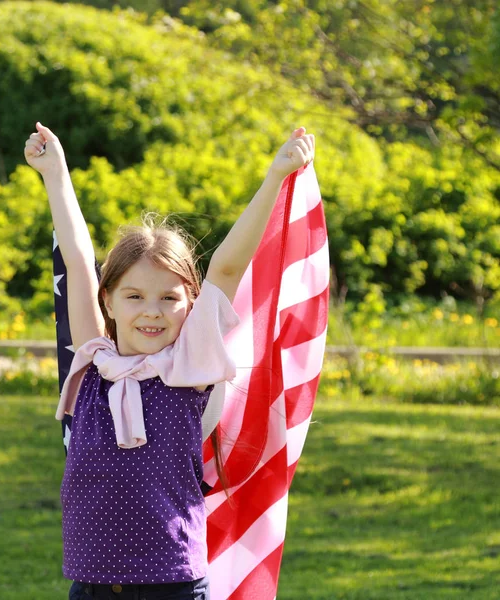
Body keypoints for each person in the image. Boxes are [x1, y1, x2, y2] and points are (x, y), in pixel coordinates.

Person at [23, 122, 315, 600]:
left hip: (172, 583)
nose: (152, 311)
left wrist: (275, 177)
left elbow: (225, 266)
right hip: (92, 586)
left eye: (169, 298)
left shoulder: (189, 367)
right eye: (134, 296)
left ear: (191, 304)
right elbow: (77, 260)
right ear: (109, 302)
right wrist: (55, 174)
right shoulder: (95, 360)